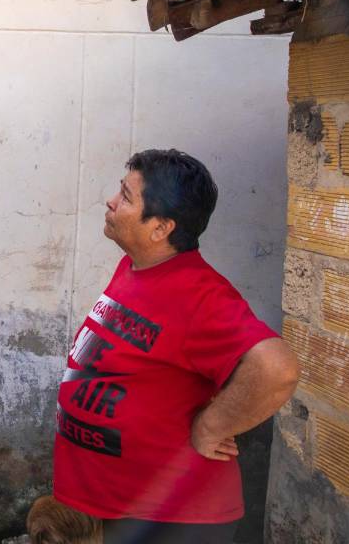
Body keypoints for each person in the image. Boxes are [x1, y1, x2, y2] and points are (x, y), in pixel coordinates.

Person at [51, 149, 300, 544]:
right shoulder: (136, 266)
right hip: (128, 510)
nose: (111, 202)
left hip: (175, 522)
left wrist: (213, 425)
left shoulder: (201, 296)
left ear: (160, 228)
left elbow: (277, 368)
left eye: (126, 197)